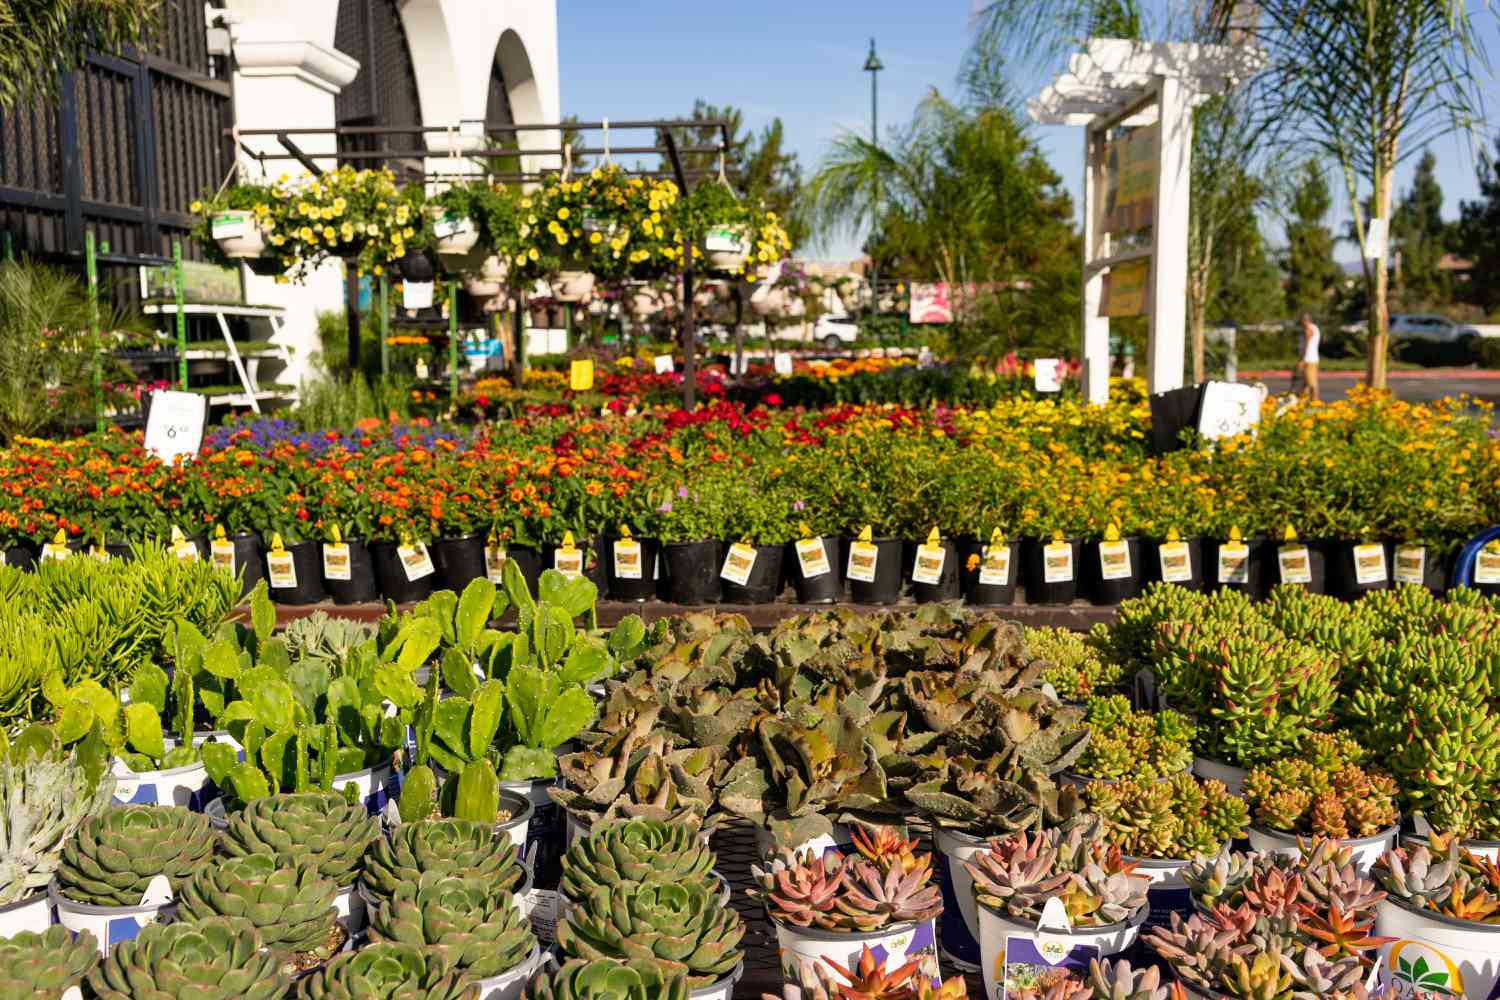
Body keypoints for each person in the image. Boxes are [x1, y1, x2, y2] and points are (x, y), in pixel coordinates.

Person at [1297, 313, 1320, 401]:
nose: (1301, 324)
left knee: (1312, 383)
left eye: (1301, 321)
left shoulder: (1308, 329)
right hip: (1312, 359)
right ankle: (1303, 401)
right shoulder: (1315, 328)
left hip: (1308, 360)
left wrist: (1302, 360)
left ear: (1305, 320)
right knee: (1305, 383)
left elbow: (1307, 344)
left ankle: (1315, 402)